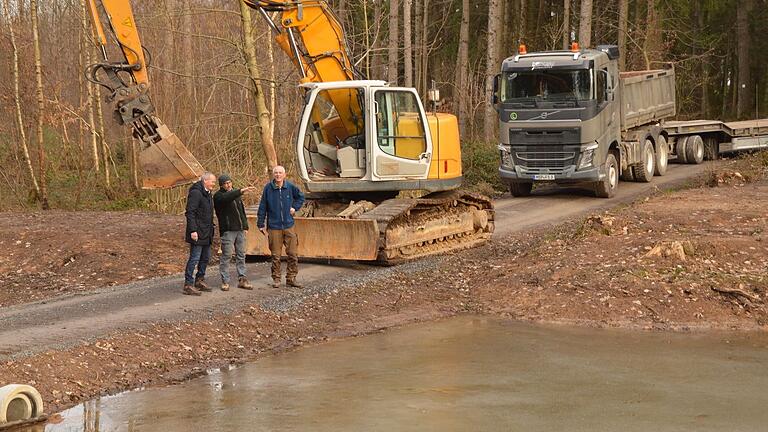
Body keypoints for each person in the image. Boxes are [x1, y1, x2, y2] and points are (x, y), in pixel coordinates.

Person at [257, 165, 305, 288]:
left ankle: (291, 278)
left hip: (289, 225)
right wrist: (261, 223)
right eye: (276, 173)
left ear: (284, 174)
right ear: (273, 175)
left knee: (293, 254)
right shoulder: (268, 188)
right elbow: (263, 207)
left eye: (280, 173)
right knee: (276, 256)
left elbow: (301, 197)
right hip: (274, 227)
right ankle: (276, 279)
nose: (278, 175)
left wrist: (295, 207)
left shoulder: (289, 187)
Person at [213, 174, 256, 291]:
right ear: (221, 185)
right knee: (226, 256)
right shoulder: (218, 196)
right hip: (228, 230)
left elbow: (241, 211)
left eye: (229, 182)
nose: (228, 185)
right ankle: (225, 281)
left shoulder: (236, 195)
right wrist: (241, 190)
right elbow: (227, 197)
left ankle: (242, 279)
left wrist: (245, 226)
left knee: (241, 255)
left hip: (240, 229)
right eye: (225, 183)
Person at [183, 172, 217, 296]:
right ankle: (188, 284)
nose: (214, 184)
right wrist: (193, 230)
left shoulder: (208, 194)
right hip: (197, 232)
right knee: (194, 258)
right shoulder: (196, 193)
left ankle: (199, 280)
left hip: (207, 232)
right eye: (212, 181)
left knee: (205, 258)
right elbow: (190, 212)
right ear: (205, 181)